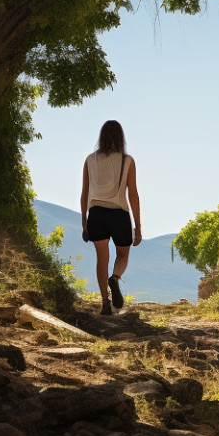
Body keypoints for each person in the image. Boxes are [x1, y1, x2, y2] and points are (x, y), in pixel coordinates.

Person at [80, 120, 142, 315]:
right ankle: (114, 279)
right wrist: (138, 226)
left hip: (96, 214)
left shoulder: (90, 160)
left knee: (102, 259)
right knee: (123, 254)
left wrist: (84, 222)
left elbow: (84, 194)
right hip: (119, 213)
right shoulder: (127, 160)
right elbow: (133, 195)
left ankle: (105, 303)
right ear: (121, 137)